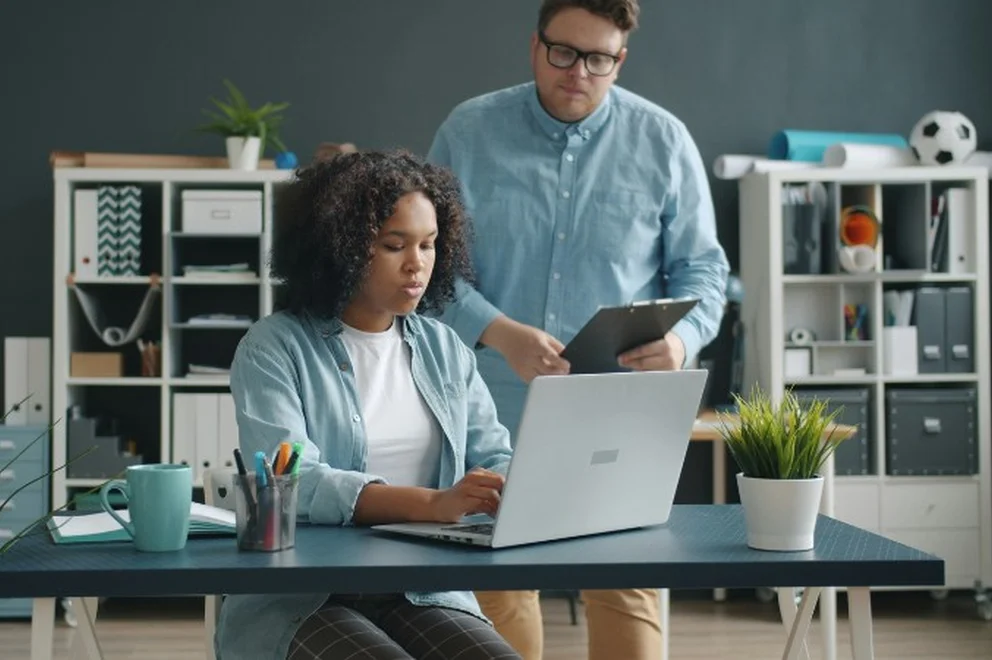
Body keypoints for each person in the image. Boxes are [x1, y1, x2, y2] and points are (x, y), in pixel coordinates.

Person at [425, 1, 730, 658]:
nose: (578, 72)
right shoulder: (468, 131)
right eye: (564, 52)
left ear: (620, 60)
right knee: (498, 594)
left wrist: (680, 341)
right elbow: (429, 267)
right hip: (487, 405)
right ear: (535, 46)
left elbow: (705, 268)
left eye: (598, 59)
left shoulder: (664, 140)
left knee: (625, 588)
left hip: (617, 409)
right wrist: (500, 332)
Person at [214, 150, 524, 660]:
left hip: (421, 588)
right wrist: (433, 504)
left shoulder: (445, 349)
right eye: (393, 245)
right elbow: (297, 482)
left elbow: (492, 455)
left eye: (428, 245)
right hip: (305, 597)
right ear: (341, 247)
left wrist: (515, 483)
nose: (416, 263)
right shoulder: (274, 346)